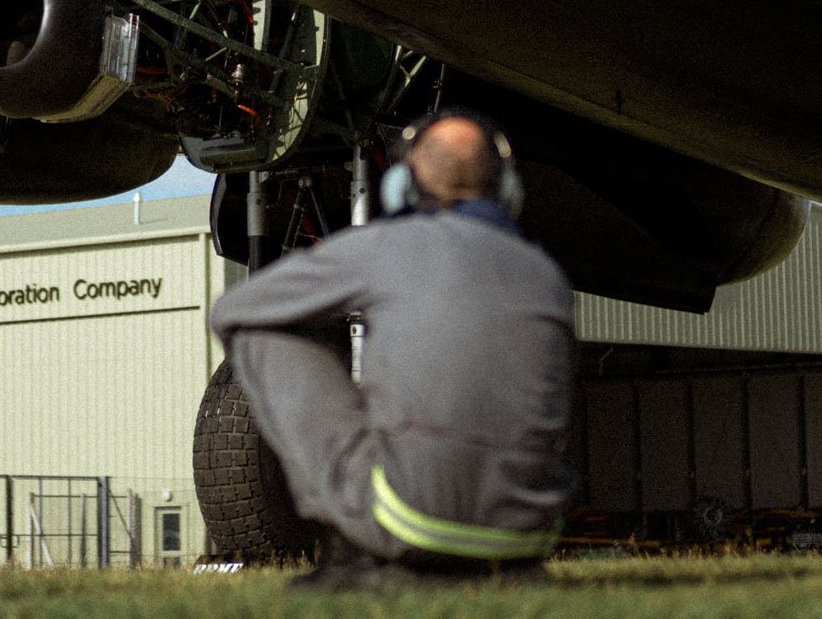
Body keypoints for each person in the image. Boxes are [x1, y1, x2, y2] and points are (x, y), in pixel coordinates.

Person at [209, 110, 574, 589]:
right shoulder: (546, 273)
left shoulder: (387, 246)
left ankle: (354, 548)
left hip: (413, 521)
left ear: (401, 184)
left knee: (261, 336)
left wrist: (329, 347)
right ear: (508, 190)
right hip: (526, 534)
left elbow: (233, 310)